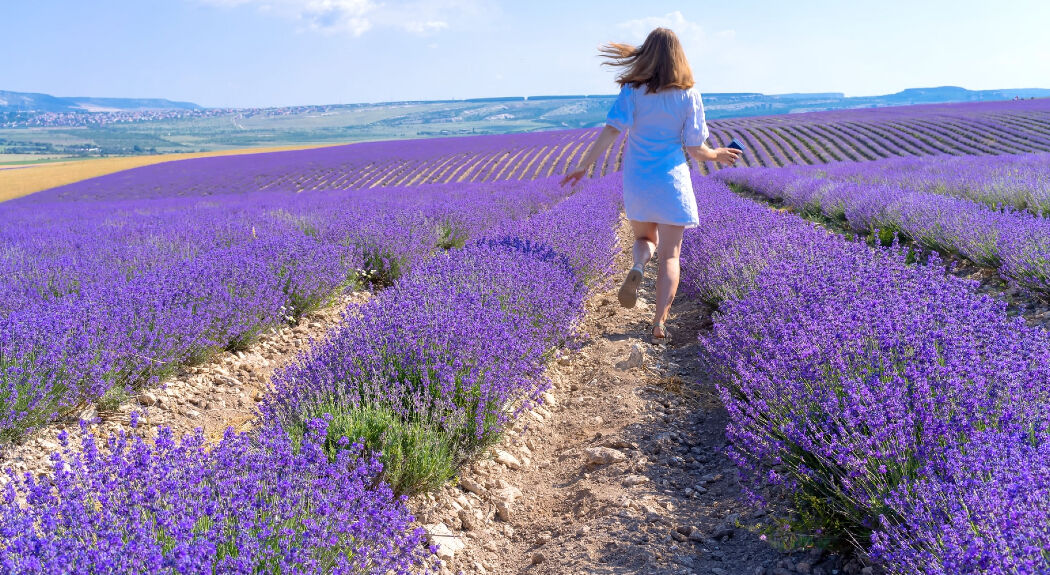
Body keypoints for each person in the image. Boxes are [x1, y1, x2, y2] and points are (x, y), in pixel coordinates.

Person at [561, 27, 742, 340]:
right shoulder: (689, 93)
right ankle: (659, 323)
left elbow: (611, 130)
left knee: (645, 238)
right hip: (672, 182)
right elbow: (696, 149)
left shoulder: (633, 90)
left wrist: (583, 165)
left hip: (639, 179)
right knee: (671, 256)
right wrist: (718, 155)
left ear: (647, 55)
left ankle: (639, 265)